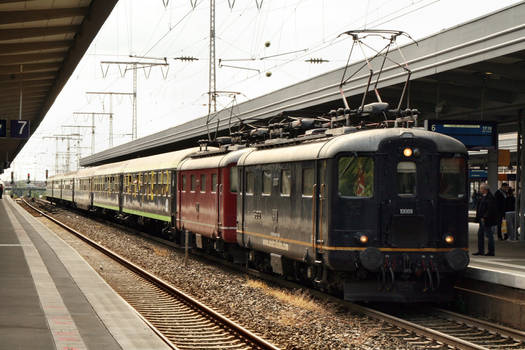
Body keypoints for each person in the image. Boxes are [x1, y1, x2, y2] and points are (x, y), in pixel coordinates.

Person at [473, 183, 498, 256]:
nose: (480, 190)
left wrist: (485, 217)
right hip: (482, 219)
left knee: (489, 235)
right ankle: (481, 250)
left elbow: (490, 209)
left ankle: (491, 251)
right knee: (480, 234)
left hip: (486, 219)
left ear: (485, 189)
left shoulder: (490, 197)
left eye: (481, 188)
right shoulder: (482, 197)